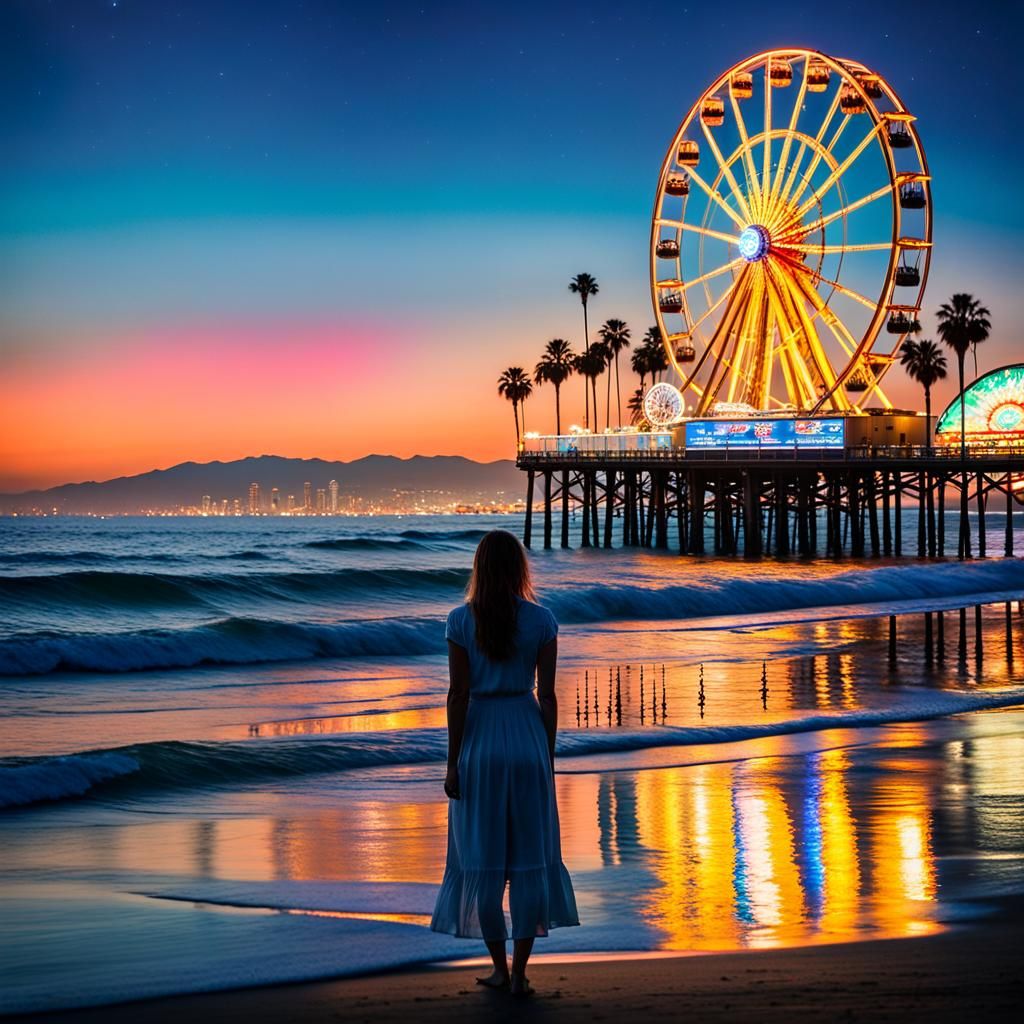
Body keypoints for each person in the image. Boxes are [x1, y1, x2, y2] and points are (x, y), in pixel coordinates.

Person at [429, 529, 579, 997]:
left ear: (479, 568)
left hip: (480, 741)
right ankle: (519, 974)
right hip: (527, 735)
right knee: (529, 859)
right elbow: (549, 695)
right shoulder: (542, 620)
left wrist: (453, 763)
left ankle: (497, 967)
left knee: (483, 859)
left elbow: (458, 694)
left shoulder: (459, 621)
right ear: (519, 569)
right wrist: (546, 757)